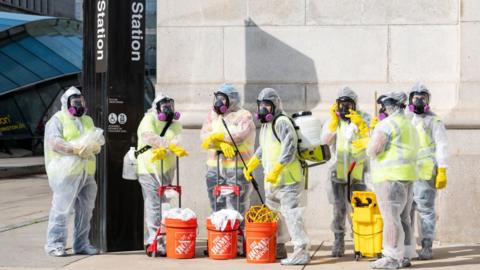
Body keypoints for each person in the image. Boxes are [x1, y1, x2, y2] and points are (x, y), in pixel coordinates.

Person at [243, 87, 310, 265]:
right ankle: (279, 247)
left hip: (288, 179)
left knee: (291, 213)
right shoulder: (266, 125)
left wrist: (278, 169)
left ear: (275, 105)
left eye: (267, 106)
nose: (263, 110)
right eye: (261, 106)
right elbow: (264, 148)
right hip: (272, 181)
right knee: (274, 215)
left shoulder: (282, 122)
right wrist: (252, 163)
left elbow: (290, 148)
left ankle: (301, 250)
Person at [44, 86, 103, 256]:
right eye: (75, 103)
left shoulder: (88, 120)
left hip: (87, 173)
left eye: (81, 102)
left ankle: (81, 244)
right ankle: (55, 244)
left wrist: (95, 146)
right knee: (61, 210)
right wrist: (76, 149)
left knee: (86, 211)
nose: (79, 106)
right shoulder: (57, 120)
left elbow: (97, 139)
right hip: (65, 174)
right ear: (66, 103)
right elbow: (55, 143)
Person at [200, 84, 255, 255]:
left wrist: (219, 137)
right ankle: (218, 241)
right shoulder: (212, 115)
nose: (219, 102)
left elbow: (239, 135)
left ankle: (237, 243)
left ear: (231, 100)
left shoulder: (244, 115)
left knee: (236, 208)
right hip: (214, 168)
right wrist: (221, 142)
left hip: (237, 168)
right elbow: (204, 136)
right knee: (217, 206)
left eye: (223, 99)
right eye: (218, 98)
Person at [366, 91, 419, 269]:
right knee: (404, 218)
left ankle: (392, 257)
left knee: (391, 219)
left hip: (389, 178)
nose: (382, 109)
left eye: (383, 106)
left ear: (389, 106)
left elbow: (374, 150)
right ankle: (405, 255)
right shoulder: (409, 124)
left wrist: (371, 134)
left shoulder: (387, 124)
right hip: (407, 177)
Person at [321, 87, 370, 257]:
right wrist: (333, 122)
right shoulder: (333, 121)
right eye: (341, 104)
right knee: (339, 209)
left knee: (359, 210)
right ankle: (339, 241)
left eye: (348, 104)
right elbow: (324, 140)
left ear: (354, 105)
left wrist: (361, 125)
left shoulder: (363, 119)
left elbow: (372, 140)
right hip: (338, 173)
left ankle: (361, 242)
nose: (345, 107)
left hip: (358, 173)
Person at [137, 93, 188, 256]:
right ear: (157, 108)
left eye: (170, 107)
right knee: (153, 205)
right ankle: (153, 241)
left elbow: (178, 141)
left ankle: (163, 238)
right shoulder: (149, 119)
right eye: (165, 107)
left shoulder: (175, 124)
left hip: (166, 168)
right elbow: (148, 136)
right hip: (149, 168)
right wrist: (166, 145)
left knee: (164, 204)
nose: (168, 110)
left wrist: (168, 147)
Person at [407, 83, 448, 260]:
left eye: (422, 98)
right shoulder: (405, 119)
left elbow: (442, 146)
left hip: (425, 173)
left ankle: (426, 245)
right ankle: (407, 246)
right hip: (406, 172)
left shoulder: (434, 121)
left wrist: (443, 169)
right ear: (410, 100)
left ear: (428, 100)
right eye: (415, 98)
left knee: (425, 210)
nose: (419, 101)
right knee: (406, 210)